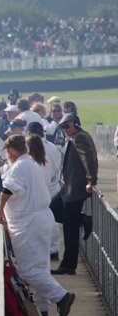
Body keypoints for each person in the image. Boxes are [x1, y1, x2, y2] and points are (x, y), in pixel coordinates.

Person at [0, 134, 75, 316]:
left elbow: (8, 190)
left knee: (27, 269)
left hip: (28, 222)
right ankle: (43, 308)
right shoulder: (31, 163)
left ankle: (61, 296)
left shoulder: (19, 167)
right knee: (41, 266)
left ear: (10, 151)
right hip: (42, 218)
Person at [54, 113, 98, 276]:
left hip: (75, 189)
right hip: (69, 187)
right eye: (63, 127)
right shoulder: (76, 136)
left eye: (67, 126)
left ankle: (68, 265)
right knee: (53, 209)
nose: (65, 129)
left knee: (70, 228)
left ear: (76, 124)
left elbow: (89, 159)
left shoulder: (80, 137)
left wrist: (91, 180)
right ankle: (83, 219)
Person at [27, 122, 62, 261]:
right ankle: (53, 250)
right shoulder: (52, 146)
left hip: (40, 188)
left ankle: (42, 250)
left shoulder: (30, 146)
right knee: (52, 221)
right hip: (54, 185)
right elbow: (58, 165)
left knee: (38, 220)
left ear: (29, 133)